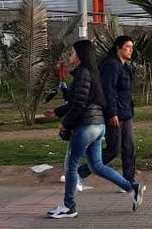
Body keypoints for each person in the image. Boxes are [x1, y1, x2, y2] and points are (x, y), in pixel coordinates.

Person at [47, 40, 145, 219]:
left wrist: (65, 123)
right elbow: (81, 100)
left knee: (71, 166)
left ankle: (69, 206)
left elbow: (79, 104)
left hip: (87, 126)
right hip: (98, 126)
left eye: (72, 52)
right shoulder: (92, 73)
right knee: (97, 165)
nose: (70, 56)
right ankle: (131, 187)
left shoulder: (84, 73)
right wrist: (57, 111)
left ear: (80, 55)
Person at [77, 36, 136, 190]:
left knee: (129, 147)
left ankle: (129, 181)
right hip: (115, 112)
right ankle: (80, 172)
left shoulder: (125, 67)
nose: (131, 50)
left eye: (132, 47)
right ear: (118, 47)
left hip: (126, 112)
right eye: (128, 46)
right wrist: (112, 113)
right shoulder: (111, 65)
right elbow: (108, 91)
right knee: (113, 149)